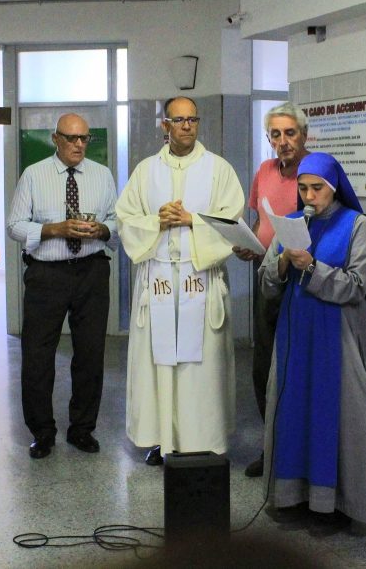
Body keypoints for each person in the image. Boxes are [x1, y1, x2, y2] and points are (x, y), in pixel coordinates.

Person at [258, 152, 366, 535]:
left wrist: (311, 267)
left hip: (338, 338)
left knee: (341, 418)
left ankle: (337, 504)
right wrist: (282, 263)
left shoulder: (356, 224)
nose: (309, 197)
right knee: (294, 410)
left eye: (317, 189)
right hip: (296, 337)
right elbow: (267, 282)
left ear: (334, 187)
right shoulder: (291, 223)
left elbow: (357, 286)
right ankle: (294, 496)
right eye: (303, 189)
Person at [116, 96, 244, 465]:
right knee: (160, 364)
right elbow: (125, 219)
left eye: (192, 119)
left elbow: (233, 221)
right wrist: (156, 220)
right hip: (158, 279)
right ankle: (162, 440)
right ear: (165, 125)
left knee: (200, 369)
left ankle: (202, 439)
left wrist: (192, 220)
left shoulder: (218, 169)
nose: (187, 126)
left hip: (199, 278)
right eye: (179, 120)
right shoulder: (146, 171)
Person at [7, 113, 117, 459]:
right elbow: (14, 225)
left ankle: (82, 429)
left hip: (91, 271)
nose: (79, 145)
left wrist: (102, 230)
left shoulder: (102, 175)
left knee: (90, 354)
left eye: (85, 138)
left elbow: (117, 220)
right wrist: (54, 229)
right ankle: (42, 432)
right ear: (55, 139)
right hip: (46, 274)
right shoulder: (34, 175)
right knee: (38, 355)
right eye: (71, 138)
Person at [232, 102, 310, 478]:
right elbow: (259, 220)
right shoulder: (264, 170)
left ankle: (301, 453)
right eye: (275, 135)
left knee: (297, 365)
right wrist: (248, 243)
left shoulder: (316, 173)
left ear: (304, 135)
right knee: (263, 365)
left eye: (290, 133)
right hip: (266, 277)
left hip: (304, 281)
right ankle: (272, 447)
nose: (283, 141)